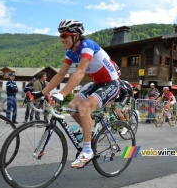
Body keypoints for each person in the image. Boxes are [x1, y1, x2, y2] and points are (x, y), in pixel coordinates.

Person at [28, 19, 120, 168]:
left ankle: (88, 150)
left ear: (76, 35)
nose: (61, 39)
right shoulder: (71, 52)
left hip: (111, 83)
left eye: (64, 36)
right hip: (97, 83)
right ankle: (88, 131)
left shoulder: (87, 45)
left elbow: (80, 72)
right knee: (72, 107)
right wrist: (42, 93)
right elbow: (59, 75)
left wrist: (61, 94)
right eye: (60, 36)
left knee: (84, 108)